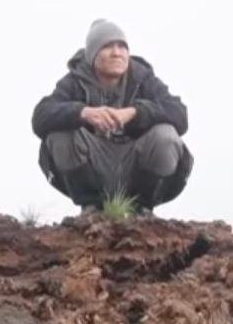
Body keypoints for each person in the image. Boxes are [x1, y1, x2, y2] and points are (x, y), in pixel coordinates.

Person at [31, 19, 193, 215]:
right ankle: (91, 208)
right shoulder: (74, 80)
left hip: (135, 166)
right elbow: (41, 116)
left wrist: (135, 113)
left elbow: (179, 113)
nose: (116, 53)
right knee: (60, 134)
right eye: (107, 46)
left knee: (165, 135)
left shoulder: (143, 78)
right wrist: (83, 113)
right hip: (95, 166)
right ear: (92, 54)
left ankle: (142, 209)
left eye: (122, 46)